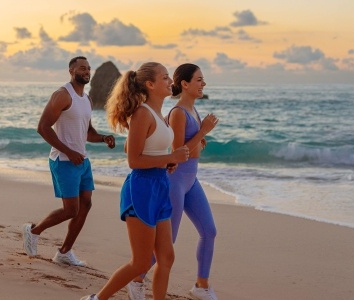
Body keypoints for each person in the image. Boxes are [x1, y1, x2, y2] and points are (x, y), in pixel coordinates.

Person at [81, 62, 189, 300]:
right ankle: (97, 299)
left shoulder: (158, 114)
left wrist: (165, 162)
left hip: (160, 185)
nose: (170, 81)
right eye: (165, 77)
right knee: (140, 263)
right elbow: (133, 160)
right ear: (150, 84)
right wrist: (171, 156)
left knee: (166, 257)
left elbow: (134, 148)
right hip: (141, 188)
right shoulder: (142, 114)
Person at [126, 63, 219, 300]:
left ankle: (201, 285)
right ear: (185, 84)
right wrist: (202, 133)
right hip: (176, 181)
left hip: (192, 180)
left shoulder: (193, 111)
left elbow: (189, 147)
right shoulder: (178, 113)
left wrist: (200, 139)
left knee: (209, 231)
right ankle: (137, 280)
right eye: (199, 79)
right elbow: (178, 153)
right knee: (167, 243)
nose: (203, 84)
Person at [22, 56, 116, 266]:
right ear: (71, 70)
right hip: (63, 160)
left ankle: (64, 252)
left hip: (82, 160)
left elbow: (88, 132)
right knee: (71, 209)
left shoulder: (87, 99)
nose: (87, 71)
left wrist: (103, 138)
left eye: (89, 68)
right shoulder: (62, 95)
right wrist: (69, 152)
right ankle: (33, 230)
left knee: (86, 204)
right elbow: (43, 127)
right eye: (82, 68)